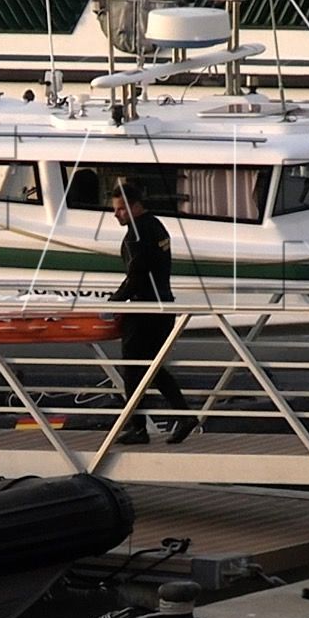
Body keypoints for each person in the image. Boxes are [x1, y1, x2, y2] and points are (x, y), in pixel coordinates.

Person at [108, 182, 191, 445]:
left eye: (121, 209)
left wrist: (114, 303)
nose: (116, 214)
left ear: (135, 207)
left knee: (133, 370)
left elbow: (137, 275)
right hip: (164, 306)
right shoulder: (157, 226)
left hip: (144, 310)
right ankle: (184, 415)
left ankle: (138, 428)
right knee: (153, 368)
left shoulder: (137, 234)